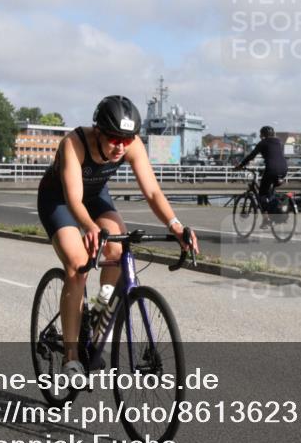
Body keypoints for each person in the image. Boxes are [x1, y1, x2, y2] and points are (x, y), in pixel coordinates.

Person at [36, 95, 198, 377]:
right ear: (98, 131)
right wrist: (91, 228)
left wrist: (175, 225)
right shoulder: (74, 143)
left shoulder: (130, 145)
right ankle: (71, 357)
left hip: (96, 196)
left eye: (127, 139)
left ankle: (99, 312)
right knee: (78, 265)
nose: (121, 147)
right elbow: (74, 200)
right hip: (59, 199)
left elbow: (152, 192)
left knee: (118, 250)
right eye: (114, 139)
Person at [234, 126, 288, 218]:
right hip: (284, 169)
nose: (260, 136)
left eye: (261, 134)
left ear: (263, 134)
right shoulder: (279, 142)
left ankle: (266, 217)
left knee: (262, 193)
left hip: (271, 169)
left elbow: (251, 155)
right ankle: (275, 209)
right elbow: (274, 155)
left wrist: (240, 165)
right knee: (270, 191)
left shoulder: (263, 143)